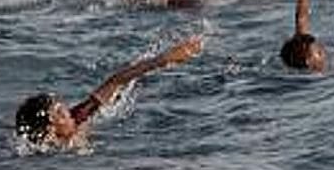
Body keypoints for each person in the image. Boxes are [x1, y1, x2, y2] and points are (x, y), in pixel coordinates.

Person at [14, 36, 203, 148]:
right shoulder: (52, 154)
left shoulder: (78, 118)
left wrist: (163, 60)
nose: (70, 113)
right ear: (50, 132)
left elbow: (116, 81)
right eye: (62, 114)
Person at [279, 0, 334, 72]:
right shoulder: (322, 77)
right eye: (319, 53)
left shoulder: (305, 59)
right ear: (308, 61)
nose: (324, 52)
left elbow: (301, 17)